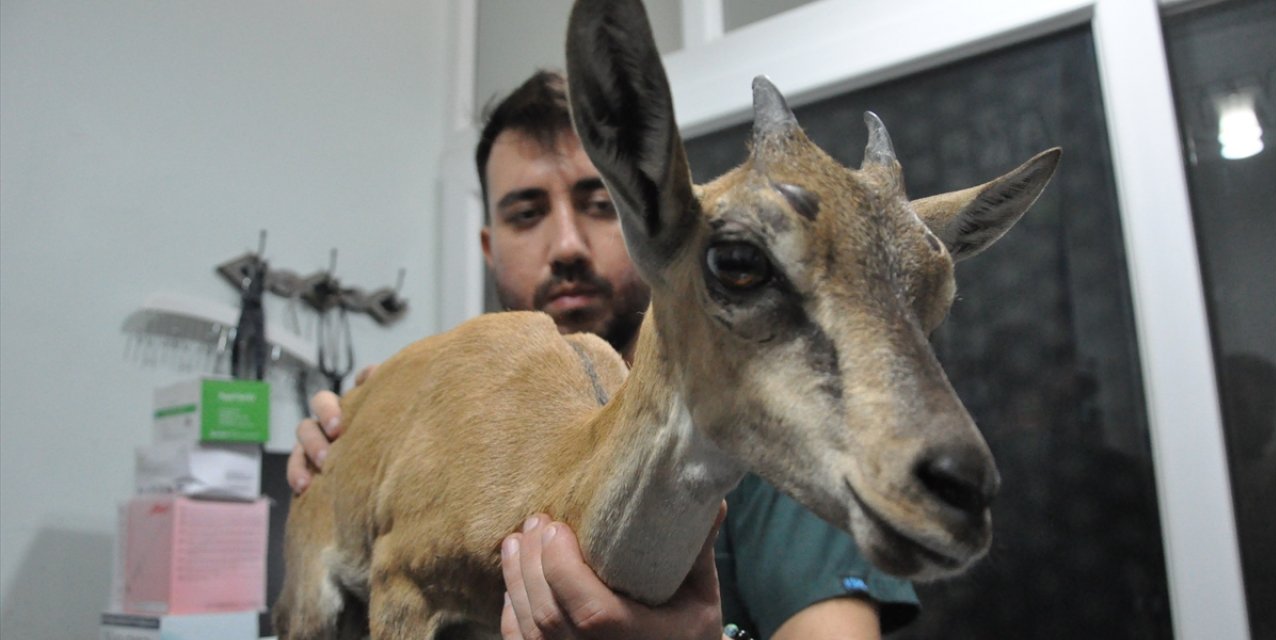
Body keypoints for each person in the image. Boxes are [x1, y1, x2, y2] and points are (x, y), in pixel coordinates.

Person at [287, 70, 919, 640]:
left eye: (600, 204)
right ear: (488, 245)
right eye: (526, 212)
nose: (565, 245)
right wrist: (347, 447)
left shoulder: (757, 425)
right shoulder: (453, 420)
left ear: (654, 224)